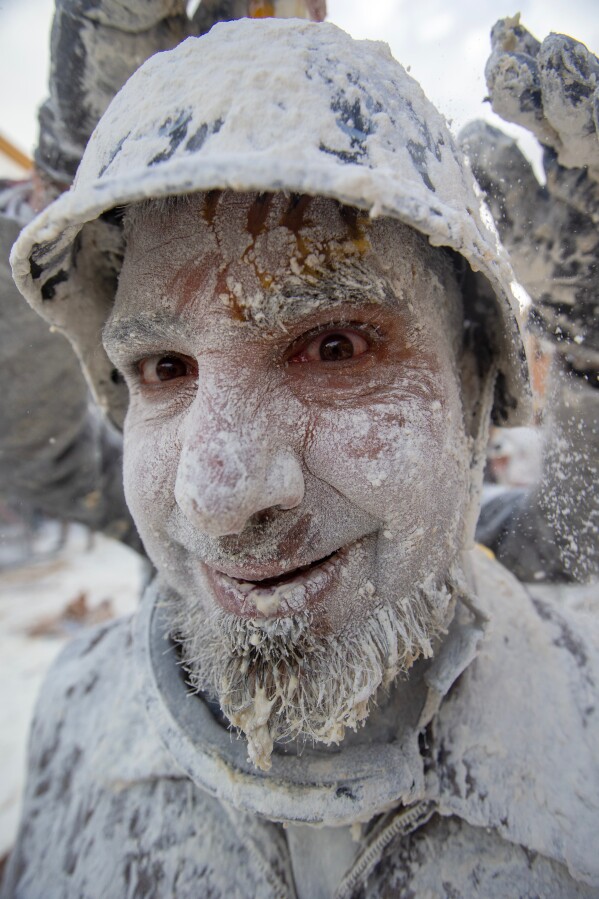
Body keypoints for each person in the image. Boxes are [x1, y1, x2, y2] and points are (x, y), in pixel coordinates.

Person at [2, 14, 598, 899]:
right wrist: (61, 183)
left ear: (476, 386)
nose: (215, 496)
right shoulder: (72, 718)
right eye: (164, 368)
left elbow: (570, 530)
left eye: (334, 347)